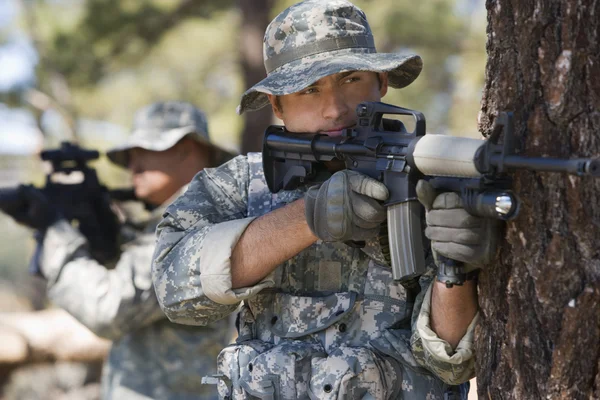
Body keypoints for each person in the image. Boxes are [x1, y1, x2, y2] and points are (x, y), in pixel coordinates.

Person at [152, 2, 497, 399]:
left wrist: (454, 270)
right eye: (309, 89)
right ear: (277, 104)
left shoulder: (434, 178)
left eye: (351, 79)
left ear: (381, 82)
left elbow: (451, 363)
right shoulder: (241, 183)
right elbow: (175, 291)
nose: (334, 108)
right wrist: (308, 219)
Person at [3, 101, 234, 399]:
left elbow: (107, 308)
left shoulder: (195, 227)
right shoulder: (165, 225)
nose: (132, 167)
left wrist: (55, 231)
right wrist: (99, 234)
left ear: (185, 148)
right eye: (128, 157)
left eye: (142, 152)